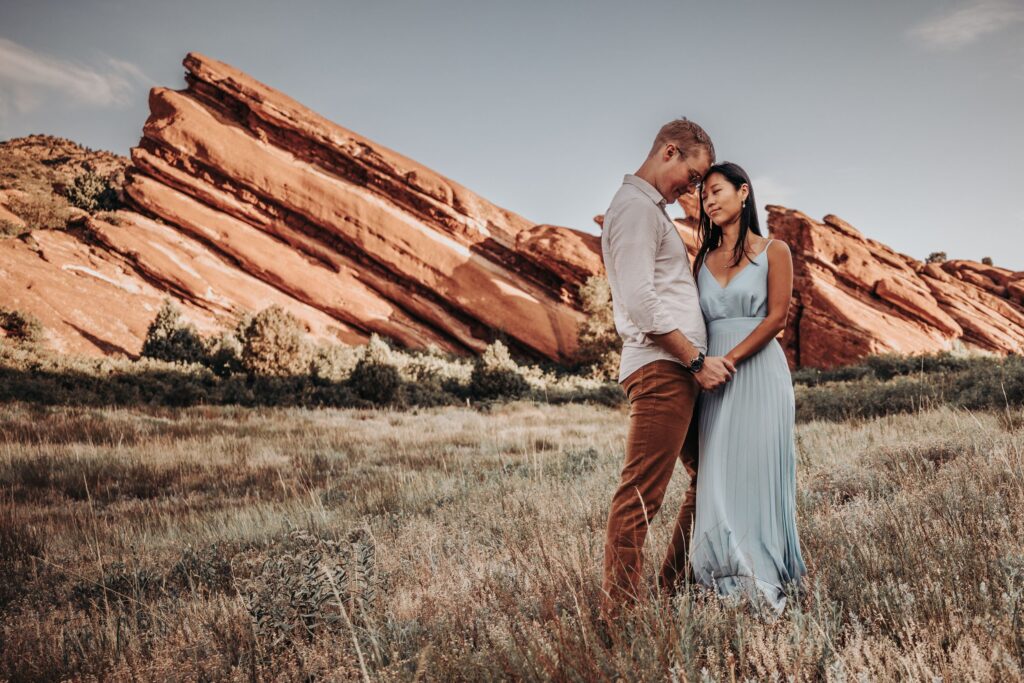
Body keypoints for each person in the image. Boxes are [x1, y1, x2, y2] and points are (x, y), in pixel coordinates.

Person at [599, 118, 736, 620]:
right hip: (663, 369)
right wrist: (695, 360)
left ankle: (670, 589)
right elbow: (640, 303)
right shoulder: (635, 208)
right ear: (669, 152)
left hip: (673, 368)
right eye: (693, 175)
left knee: (711, 476)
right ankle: (620, 619)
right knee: (639, 496)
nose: (693, 188)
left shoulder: (648, 210)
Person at [688, 161, 807, 617]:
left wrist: (730, 361)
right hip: (710, 378)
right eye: (704, 196)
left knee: (755, 473)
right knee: (717, 477)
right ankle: (719, 574)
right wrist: (699, 367)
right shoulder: (700, 259)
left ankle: (765, 574)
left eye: (717, 191)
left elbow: (777, 318)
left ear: (743, 193)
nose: (709, 201)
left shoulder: (775, 251)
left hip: (755, 373)